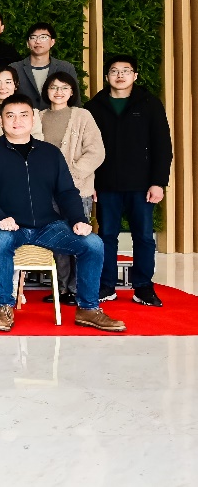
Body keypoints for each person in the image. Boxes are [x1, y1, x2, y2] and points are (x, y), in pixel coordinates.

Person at [0, 95, 126, 332]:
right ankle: (3, 307)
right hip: (6, 225)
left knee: (93, 244)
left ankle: (88, 308)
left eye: (23, 115)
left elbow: (66, 191)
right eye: (10, 116)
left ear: (33, 119)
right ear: (1, 121)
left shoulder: (50, 153)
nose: (17, 121)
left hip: (47, 226)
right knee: (1, 241)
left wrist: (78, 219)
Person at [86, 54, 172, 306]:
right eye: (114, 71)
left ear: (135, 75)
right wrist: (91, 182)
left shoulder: (149, 103)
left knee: (143, 236)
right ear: (106, 76)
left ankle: (143, 287)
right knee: (106, 235)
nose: (120, 75)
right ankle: (106, 285)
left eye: (126, 71)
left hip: (141, 184)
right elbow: (87, 148)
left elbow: (162, 146)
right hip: (106, 184)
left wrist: (158, 182)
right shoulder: (94, 107)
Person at [40, 72, 105, 307]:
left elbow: (96, 151)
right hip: (47, 191)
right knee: (57, 239)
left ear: (72, 91)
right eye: (53, 87)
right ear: (46, 91)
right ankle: (62, 287)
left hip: (77, 189)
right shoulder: (38, 117)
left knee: (79, 236)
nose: (58, 92)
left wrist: (72, 175)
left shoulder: (82, 116)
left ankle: (79, 289)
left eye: (64, 87)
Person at [10, 22, 78, 110]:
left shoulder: (66, 68)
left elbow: (75, 100)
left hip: (58, 117)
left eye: (43, 37)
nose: (38, 41)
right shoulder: (14, 68)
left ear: (52, 42)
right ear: (28, 43)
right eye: (33, 37)